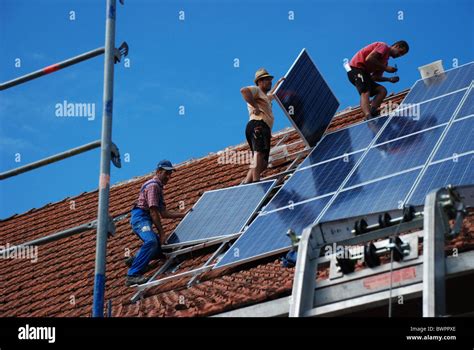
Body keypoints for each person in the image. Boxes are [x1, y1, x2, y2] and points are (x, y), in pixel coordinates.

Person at [125, 160, 187, 286]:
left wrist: (183, 214)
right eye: (166, 173)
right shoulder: (153, 186)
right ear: (158, 172)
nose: (169, 177)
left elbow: (164, 213)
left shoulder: (159, 188)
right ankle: (132, 275)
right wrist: (162, 233)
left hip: (145, 218)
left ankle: (137, 259)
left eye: (170, 174)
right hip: (140, 218)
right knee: (152, 241)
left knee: (161, 249)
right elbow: (154, 213)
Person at [240, 68, 285, 183]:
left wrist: (279, 83)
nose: (269, 82)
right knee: (258, 153)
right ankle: (256, 181)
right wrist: (255, 106)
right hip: (257, 124)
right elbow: (244, 91)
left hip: (264, 128)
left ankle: (247, 182)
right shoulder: (256, 90)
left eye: (270, 80)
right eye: (266, 80)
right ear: (259, 82)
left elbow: (273, 95)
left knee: (263, 163)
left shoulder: (265, 97)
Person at [347, 41, 409, 120]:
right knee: (365, 91)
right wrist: (386, 68)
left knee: (382, 90)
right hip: (356, 69)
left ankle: (372, 112)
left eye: (401, 55)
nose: (399, 55)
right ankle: (368, 115)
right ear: (396, 46)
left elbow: (375, 77)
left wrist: (389, 79)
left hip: (365, 75)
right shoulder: (383, 47)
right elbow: (369, 58)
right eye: (400, 52)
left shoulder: (385, 62)